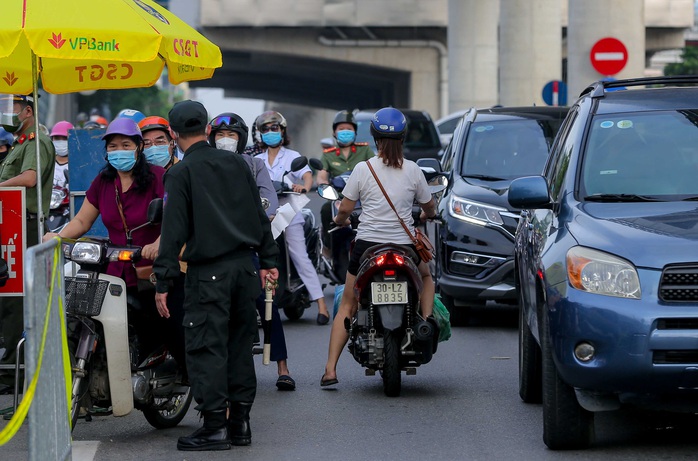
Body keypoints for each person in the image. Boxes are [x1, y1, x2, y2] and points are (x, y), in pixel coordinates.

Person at [152, 100, 279, 451]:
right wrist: (268, 259)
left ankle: (213, 427)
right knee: (240, 345)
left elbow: (173, 231)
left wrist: (163, 280)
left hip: (207, 273)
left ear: (174, 135)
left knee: (206, 348)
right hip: (244, 268)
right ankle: (240, 424)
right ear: (207, 129)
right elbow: (259, 214)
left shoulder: (179, 173)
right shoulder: (237, 164)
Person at [320, 107, 438, 387]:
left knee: (347, 304)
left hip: (367, 247)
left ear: (373, 137)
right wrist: (425, 216)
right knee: (426, 278)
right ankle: (427, 321)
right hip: (405, 247)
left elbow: (346, 209)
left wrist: (339, 219)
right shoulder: (413, 170)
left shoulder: (363, 169)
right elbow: (429, 207)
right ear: (404, 137)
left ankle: (330, 370)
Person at [42, 118, 167, 363]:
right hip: (114, 268)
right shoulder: (103, 182)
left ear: (139, 147)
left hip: (149, 269)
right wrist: (57, 237)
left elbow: (175, 219)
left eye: (125, 145)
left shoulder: (158, 177)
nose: (119, 151)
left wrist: (158, 243)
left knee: (156, 330)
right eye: (113, 146)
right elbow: (81, 222)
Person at [209, 112, 293, 389]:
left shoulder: (254, 164)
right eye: (220, 135)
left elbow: (268, 201)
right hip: (212, 249)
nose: (225, 140)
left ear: (241, 138)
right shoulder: (204, 165)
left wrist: (247, 215)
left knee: (265, 301)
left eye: (231, 135)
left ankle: (282, 365)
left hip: (247, 247)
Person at [0, 94, 55, 393]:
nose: (7, 115)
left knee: (16, 299)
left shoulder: (36, 142)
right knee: (7, 297)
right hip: (11, 224)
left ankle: (14, 373)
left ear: (28, 111)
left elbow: (30, 178)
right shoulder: (19, 144)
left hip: (26, 225)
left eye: (12, 109)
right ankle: (9, 367)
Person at [255, 110, 331, 325]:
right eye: (266, 129)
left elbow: (307, 177)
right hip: (264, 215)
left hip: (288, 210)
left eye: (274, 128)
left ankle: (322, 305)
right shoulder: (256, 160)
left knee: (300, 256)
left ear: (282, 131)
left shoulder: (292, 156)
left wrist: (303, 187)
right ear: (261, 134)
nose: (271, 132)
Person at [316, 110, 374, 256]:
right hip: (339, 199)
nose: (345, 132)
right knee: (325, 210)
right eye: (341, 129)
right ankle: (328, 246)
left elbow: (376, 169)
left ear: (355, 132)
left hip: (363, 197)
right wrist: (325, 186)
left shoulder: (365, 150)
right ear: (334, 133)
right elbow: (322, 176)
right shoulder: (328, 154)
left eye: (349, 129)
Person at [50, 120, 74, 189]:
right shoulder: (46, 163)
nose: (61, 141)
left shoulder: (78, 166)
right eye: (57, 138)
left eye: (65, 138)